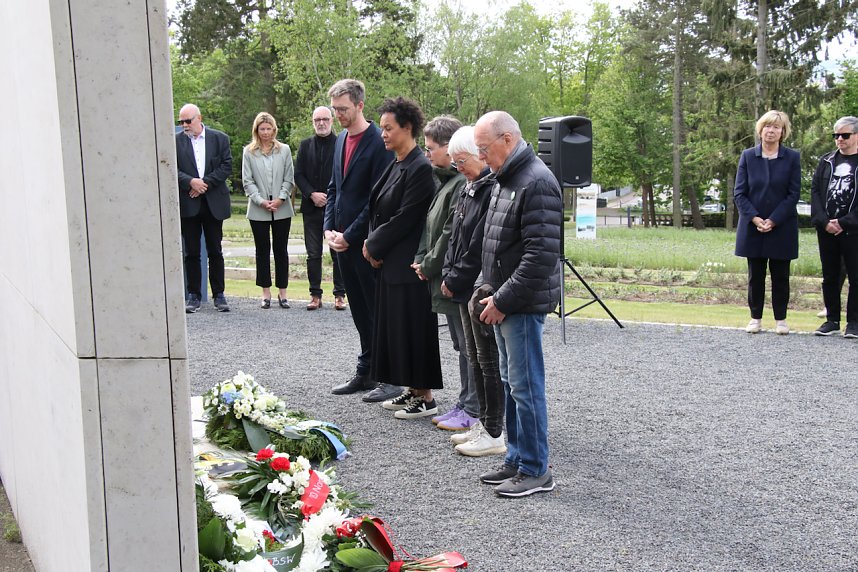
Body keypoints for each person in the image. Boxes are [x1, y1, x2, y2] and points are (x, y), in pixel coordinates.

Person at [474, 111, 562, 497]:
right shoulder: (505, 179)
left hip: (521, 306)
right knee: (512, 384)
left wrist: (503, 299)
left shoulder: (537, 182)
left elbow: (540, 257)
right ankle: (516, 458)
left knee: (526, 387)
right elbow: (493, 244)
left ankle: (535, 469)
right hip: (504, 300)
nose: (481, 155)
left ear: (507, 140)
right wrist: (485, 288)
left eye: (484, 148)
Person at [362, 97, 443, 419]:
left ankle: (426, 396)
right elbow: (377, 209)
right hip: (390, 263)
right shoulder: (397, 163)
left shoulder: (420, 168)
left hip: (410, 265)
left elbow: (406, 216)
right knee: (398, 329)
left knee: (415, 329)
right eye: (381, 128)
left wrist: (373, 245)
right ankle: (411, 388)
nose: (382, 134)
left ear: (407, 128)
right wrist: (372, 243)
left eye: (388, 128)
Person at [324, 80, 397, 400]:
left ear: (359, 106)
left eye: (342, 109)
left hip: (365, 243)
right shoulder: (340, 140)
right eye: (334, 109)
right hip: (340, 242)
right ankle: (366, 371)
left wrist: (349, 235)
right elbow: (333, 189)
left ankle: (389, 375)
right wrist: (328, 229)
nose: (337, 114)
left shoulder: (377, 142)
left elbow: (376, 199)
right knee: (358, 309)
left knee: (376, 310)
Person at [440, 125, 507, 457]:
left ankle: (494, 428)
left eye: (463, 160)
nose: (460, 167)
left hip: (482, 283)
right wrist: (450, 271)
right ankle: (484, 422)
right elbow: (456, 236)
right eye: (456, 162)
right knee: (477, 359)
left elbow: (478, 241)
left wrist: (456, 277)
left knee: (489, 360)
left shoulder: (489, 188)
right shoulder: (470, 187)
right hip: (470, 284)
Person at [410, 116, 477, 431]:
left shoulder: (460, 184)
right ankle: (466, 402)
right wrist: (423, 259)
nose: (427, 155)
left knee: (469, 347)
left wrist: (429, 264)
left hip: (452, 277)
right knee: (461, 346)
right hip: (441, 274)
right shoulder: (446, 182)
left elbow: (450, 233)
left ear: (450, 147)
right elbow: (431, 228)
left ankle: (473, 407)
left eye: (431, 148)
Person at [733, 110, 801, 335]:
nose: (771, 131)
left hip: (781, 226)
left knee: (781, 276)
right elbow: (740, 193)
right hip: (753, 226)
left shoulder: (792, 157)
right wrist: (755, 218)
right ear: (760, 130)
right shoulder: (748, 156)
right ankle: (755, 318)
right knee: (756, 276)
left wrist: (773, 220)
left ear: (783, 132)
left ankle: (781, 319)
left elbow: (793, 194)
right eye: (767, 127)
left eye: (777, 127)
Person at [176, 103, 233, 313]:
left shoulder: (220, 139)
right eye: (181, 121)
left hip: (213, 203)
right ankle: (193, 295)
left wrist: (203, 184)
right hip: (189, 204)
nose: (184, 125)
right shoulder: (175, 142)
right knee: (191, 251)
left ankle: (219, 294)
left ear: (199, 118)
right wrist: (191, 182)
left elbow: (226, 165)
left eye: (188, 121)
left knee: (215, 250)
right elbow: (170, 167)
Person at [810, 115, 858, 338]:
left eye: (845, 135)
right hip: (827, 229)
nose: (840, 139)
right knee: (830, 276)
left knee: (856, 277)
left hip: (853, 230)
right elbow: (816, 193)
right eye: (836, 135)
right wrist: (824, 221)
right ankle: (832, 320)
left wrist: (844, 222)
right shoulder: (826, 161)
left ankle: (854, 323)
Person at [241, 112, 295, 309]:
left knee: (281, 250)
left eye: (268, 128)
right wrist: (260, 201)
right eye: (262, 129)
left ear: (274, 129)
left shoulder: (285, 150)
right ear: (257, 130)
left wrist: (281, 198)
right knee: (262, 250)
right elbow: (247, 181)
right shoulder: (249, 152)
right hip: (258, 209)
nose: (265, 132)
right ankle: (265, 292)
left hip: (281, 208)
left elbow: (289, 177)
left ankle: (283, 292)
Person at [295, 106, 347, 311]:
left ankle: (340, 295)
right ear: (312, 122)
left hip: (335, 208)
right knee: (313, 253)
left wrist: (330, 197)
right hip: (311, 207)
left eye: (325, 119)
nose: (321, 123)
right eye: (317, 120)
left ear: (332, 120)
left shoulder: (341, 144)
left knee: (338, 252)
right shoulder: (305, 145)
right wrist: (311, 194)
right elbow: (298, 174)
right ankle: (315, 294)